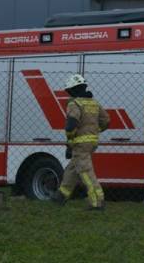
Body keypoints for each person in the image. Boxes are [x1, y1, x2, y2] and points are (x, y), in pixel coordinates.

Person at [52, 74, 109, 210]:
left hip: (80, 143)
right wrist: (95, 131)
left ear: (72, 90)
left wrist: (70, 140)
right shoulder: (94, 103)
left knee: (85, 171)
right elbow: (106, 120)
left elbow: (71, 125)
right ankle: (61, 195)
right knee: (73, 168)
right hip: (92, 142)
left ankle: (97, 201)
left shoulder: (75, 103)